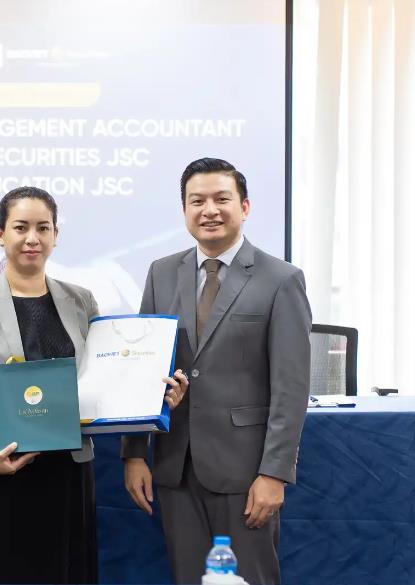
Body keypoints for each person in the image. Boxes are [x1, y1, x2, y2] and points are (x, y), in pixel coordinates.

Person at [0, 186, 187, 584]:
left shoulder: (81, 300)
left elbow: (104, 376)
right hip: (1, 467)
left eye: (43, 228)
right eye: (20, 227)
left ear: (56, 235)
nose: (32, 238)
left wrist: (154, 398)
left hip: (68, 471)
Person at [122, 158, 311, 585]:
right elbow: (141, 367)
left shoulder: (281, 279)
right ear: (184, 210)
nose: (209, 210)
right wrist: (134, 454)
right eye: (197, 201)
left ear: (244, 206)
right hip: (175, 466)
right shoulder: (162, 273)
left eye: (221, 199)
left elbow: (291, 388)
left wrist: (274, 474)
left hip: (245, 471)